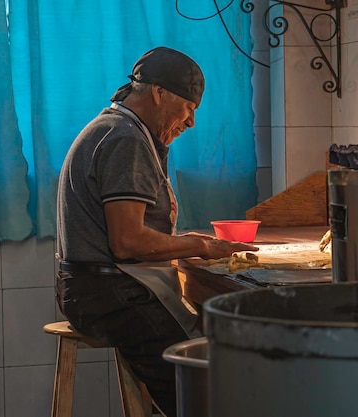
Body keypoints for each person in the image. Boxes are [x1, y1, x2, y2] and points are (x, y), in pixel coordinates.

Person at [55, 46, 257, 417]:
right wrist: (199, 246)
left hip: (93, 290)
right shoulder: (124, 138)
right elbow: (127, 241)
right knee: (201, 379)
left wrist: (192, 245)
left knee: (207, 350)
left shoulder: (120, 128)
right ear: (159, 93)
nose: (191, 122)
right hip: (108, 294)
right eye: (189, 108)